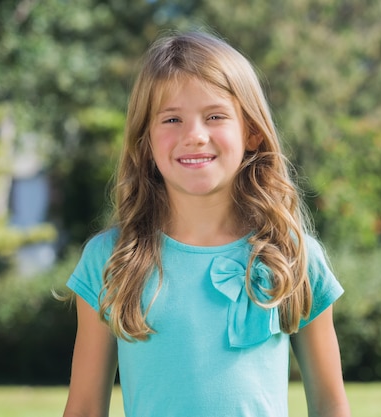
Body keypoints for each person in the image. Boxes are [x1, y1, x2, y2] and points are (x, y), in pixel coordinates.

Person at [62, 30, 350, 417]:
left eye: (214, 116)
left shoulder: (293, 256)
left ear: (251, 131)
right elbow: (83, 409)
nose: (194, 136)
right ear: (145, 140)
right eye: (171, 119)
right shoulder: (109, 260)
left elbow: (331, 406)